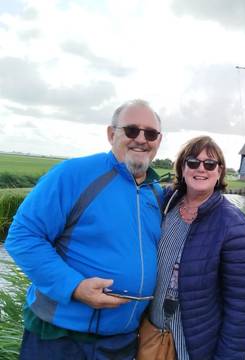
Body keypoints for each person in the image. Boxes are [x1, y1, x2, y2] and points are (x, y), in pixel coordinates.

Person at [5, 99, 164, 359]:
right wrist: (74, 287)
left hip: (121, 341)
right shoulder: (73, 174)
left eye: (151, 133)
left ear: (158, 140)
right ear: (112, 134)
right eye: (132, 130)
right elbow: (23, 236)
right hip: (61, 337)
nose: (141, 139)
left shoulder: (155, 193)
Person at [146, 136, 245, 359]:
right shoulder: (165, 204)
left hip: (194, 345)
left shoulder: (234, 226)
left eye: (209, 164)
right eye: (193, 162)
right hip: (151, 334)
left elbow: (241, 309)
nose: (201, 169)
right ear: (183, 168)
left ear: (219, 172)